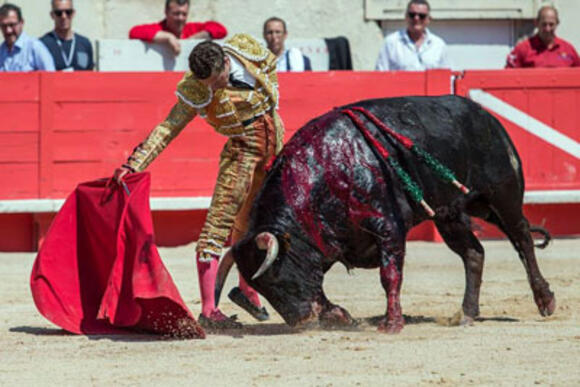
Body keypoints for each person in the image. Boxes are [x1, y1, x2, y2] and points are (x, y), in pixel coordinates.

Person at [113, 34, 284, 329]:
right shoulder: (196, 86)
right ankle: (209, 310)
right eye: (209, 85)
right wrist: (134, 163)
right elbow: (169, 127)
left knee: (256, 224)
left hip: (275, 149)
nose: (214, 89)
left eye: (218, 81)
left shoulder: (248, 51)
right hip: (241, 153)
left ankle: (247, 290)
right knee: (217, 225)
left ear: (227, 62)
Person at [129, 0, 227, 56]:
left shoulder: (192, 29)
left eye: (184, 14)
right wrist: (168, 37)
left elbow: (220, 30)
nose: (180, 18)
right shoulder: (159, 28)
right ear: (166, 12)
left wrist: (193, 40)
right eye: (176, 14)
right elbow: (134, 32)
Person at [375, 0, 450, 71]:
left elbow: (447, 77)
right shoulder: (391, 43)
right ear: (406, 16)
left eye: (422, 16)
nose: (416, 18)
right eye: (412, 15)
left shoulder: (438, 45)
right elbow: (380, 74)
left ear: (429, 19)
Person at [506, 5, 580, 68]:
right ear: (536, 23)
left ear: (557, 23)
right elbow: (508, 77)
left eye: (551, 24)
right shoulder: (523, 49)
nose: (547, 29)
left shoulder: (568, 49)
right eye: (544, 24)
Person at [40, 0, 94, 71]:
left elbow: (90, 74)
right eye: (59, 13)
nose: (64, 16)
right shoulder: (42, 44)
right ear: (52, 15)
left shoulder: (84, 44)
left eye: (68, 12)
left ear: (73, 13)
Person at [0, 3, 55, 71]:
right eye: (4, 26)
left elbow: (50, 77)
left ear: (22, 23)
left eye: (12, 25)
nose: (8, 30)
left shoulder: (35, 48)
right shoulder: (1, 52)